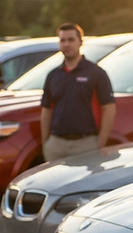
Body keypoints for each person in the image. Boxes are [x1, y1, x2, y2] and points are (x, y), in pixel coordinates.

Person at [40, 23, 116, 161]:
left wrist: (100, 144)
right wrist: (46, 143)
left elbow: (109, 108)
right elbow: (46, 110)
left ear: (80, 42)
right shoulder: (53, 75)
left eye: (71, 40)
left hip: (86, 144)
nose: (66, 44)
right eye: (62, 40)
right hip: (56, 145)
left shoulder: (96, 73)